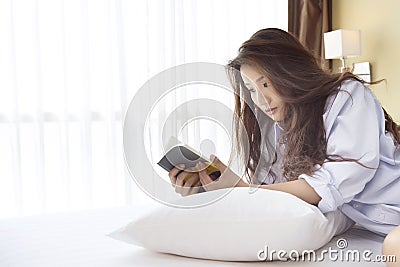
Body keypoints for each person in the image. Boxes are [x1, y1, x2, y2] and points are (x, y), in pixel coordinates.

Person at [168, 28, 400, 265]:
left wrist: (241, 188)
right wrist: (206, 192)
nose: (260, 100)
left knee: (393, 247)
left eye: (266, 84)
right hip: (383, 224)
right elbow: (279, 195)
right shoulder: (278, 130)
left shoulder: (346, 96)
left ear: (290, 72)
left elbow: (330, 184)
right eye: (251, 89)